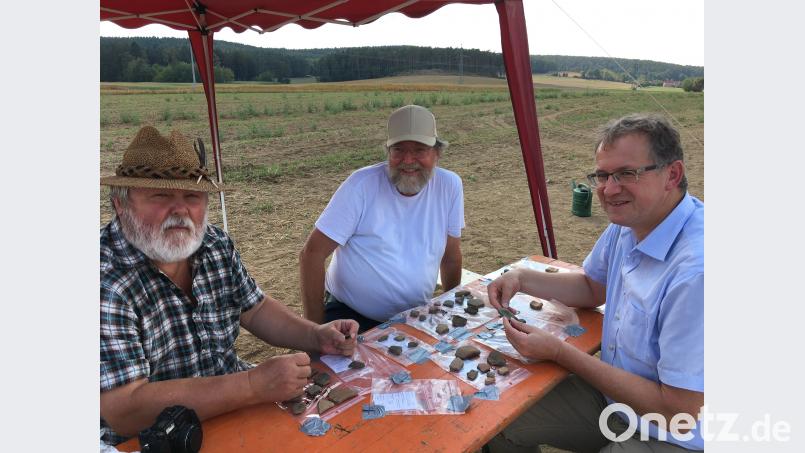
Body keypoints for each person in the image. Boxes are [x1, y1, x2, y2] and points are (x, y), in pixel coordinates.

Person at [100, 126, 358, 445]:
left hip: (233, 405)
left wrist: (315, 335)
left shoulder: (214, 244)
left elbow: (255, 309)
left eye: (192, 196)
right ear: (120, 205)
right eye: (161, 195)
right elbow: (124, 409)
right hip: (155, 437)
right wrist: (250, 385)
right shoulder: (104, 278)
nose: (180, 211)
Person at [486, 114, 704, 452]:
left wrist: (559, 352)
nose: (609, 189)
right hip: (612, 400)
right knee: (495, 426)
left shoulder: (698, 273)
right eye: (602, 175)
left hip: (670, 434)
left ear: (671, 175)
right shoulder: (630, 220)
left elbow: (680, 410)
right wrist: (521, 278)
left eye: (626, 174)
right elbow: (592, 288)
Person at [299, 105, 464, 332]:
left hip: (414, 316)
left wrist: (449, 307)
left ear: (437, 153)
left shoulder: (450, 186)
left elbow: (451, 256)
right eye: (398, 150)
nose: (408, 160)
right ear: (388, 152)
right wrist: (314, 333)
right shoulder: (361, 186)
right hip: (351, 316)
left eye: (419, 150)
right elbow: (311, 254)